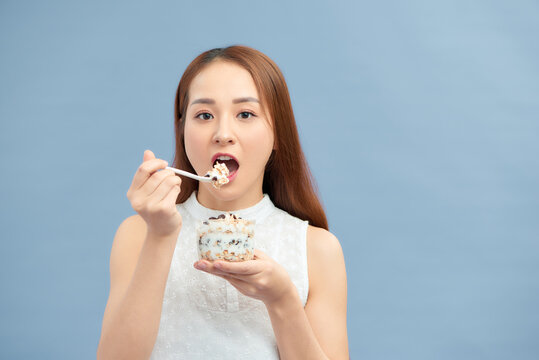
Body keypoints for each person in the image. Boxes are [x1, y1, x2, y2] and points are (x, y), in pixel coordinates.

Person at [97, 45, 349, 359]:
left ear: (278, 136)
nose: (223, 133)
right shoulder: (138, 234)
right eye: (204, 115)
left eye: (245, 114)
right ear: (182, 130)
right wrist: (160, 236)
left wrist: (283, 301)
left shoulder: (317, 248)